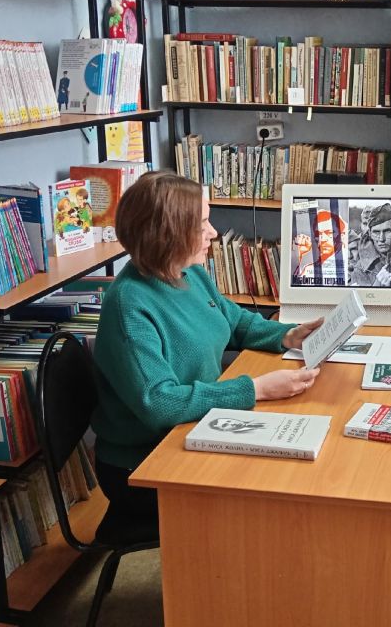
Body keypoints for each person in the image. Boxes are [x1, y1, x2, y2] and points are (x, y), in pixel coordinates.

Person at [91, 171, 324, 531]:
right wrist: (255, 390)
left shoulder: (188, 273)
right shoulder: (128, 305)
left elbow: (235, 321)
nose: (213, 232)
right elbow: (160, 403)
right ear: (168, 234)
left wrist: (288, 336)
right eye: (201, 224)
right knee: (274, 496)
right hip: (143, 462)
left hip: (197, 428)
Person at [351, 202, 391, 286]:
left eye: (387, 231)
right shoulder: (360, 269)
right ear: (369, 233)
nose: (381, 239)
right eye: (376, 232)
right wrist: (377, 285)